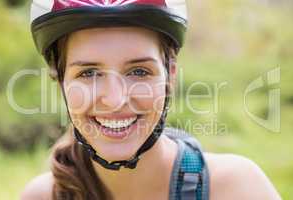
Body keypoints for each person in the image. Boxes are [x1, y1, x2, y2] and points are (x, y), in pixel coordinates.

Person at [21, 0, 281, 199]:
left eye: (139, 71)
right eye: (88, 73)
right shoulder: (41, 196)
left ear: (171, 76)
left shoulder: (237, 188)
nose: (115, 99)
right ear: (61, 80)